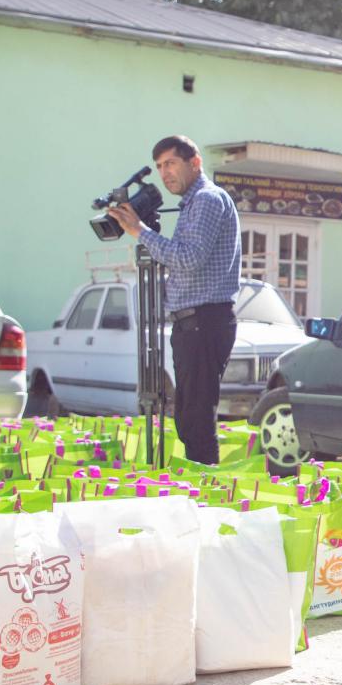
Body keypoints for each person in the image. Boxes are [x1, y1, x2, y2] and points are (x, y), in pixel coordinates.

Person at [107, 135, 241, 465]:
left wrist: (140, 231)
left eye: (170, 164)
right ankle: (199, 486)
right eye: (159, 167)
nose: (164, 173)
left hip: (204, 321)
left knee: (196, 418)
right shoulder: (192, 204)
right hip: (191, 322)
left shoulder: (208, 199)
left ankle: (206, 492)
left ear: (194, 163)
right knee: (187, 415)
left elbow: (188, 258)